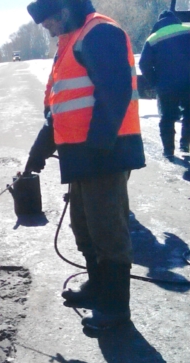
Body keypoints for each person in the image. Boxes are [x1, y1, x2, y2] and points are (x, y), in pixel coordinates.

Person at [24, 0, 146, 330]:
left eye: (48, 22)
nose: (47, 30)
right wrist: (36, 158)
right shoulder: (71, 42)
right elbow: (60, 110)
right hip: (82, 156)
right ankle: (98, 287)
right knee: (84, 226)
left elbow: (116, 91)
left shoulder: (99, 33)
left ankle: (115, 308)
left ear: (63, 11)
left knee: (107, 230)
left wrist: (98, 147)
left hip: (104, 154)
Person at [139, 10, 190, 158]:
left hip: (166, 86)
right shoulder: (187, 30)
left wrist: (155, 82)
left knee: (167, 116)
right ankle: (185, 143)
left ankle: (168, 150)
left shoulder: (153, 38)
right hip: (188, 82)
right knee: (189, 113)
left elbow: (143, 64)